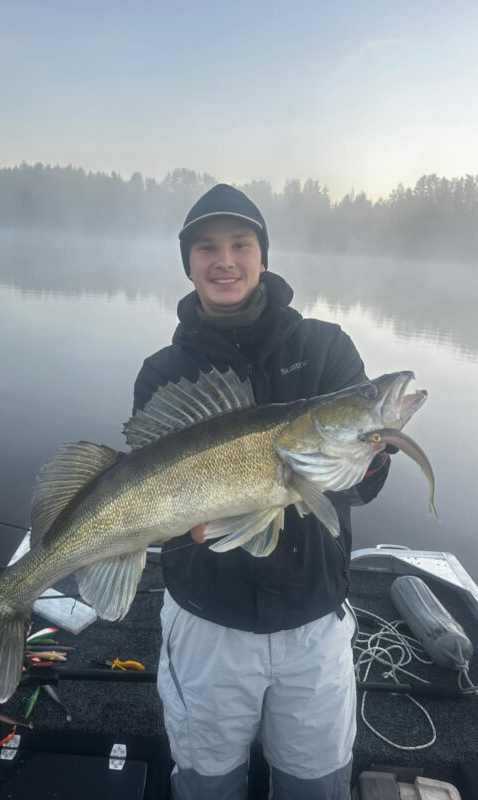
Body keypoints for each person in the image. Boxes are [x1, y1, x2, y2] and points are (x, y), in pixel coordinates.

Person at [132, 184, 391, 800]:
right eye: (207, 247)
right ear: (189, 263)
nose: (225, 260)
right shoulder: (163, 372)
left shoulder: (325, 347)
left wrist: (372, 462)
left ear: (263, 257)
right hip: (208, 625)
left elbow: (361, 485)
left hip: (312, 623)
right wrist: (181, 523)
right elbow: (152, 494)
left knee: (315, 785)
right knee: (206, 784)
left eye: (240, 244)